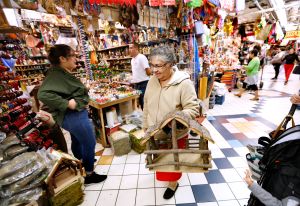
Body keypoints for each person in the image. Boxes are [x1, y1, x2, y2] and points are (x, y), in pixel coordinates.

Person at [38, 44, 107, 184]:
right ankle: (89, 173)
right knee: (89, 141)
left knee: (77, 139)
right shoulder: (56, 74)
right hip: (72, 115)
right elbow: (43, 94)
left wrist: (83, 89)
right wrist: (66, 103)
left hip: (73, 115)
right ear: (62, 58)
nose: (76, 58)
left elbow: (66, 89)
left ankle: (81, 161)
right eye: (73, 55)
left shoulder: (61, 72)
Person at [143, 46, 199, 199]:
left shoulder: (183, 83)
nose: (154, 70)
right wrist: (145, 126)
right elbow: (146, 104)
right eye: (152, 65)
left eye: (158, 65)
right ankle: (168, 177)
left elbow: (193, 109)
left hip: (175, 134)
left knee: (173, 163)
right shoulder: (152, 81)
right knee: (161, 161)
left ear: (170, 64)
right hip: (155, 132)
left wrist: (175, 118)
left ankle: (173, 184)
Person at [129, 43, 151, 110]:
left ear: (136, 48)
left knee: (145, 103)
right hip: (137, 85)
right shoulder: (132, 60)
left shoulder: (141, 57)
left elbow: (148, 71)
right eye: (129, 48)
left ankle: (148, 119)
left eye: (131, 48)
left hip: (143, 84)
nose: (129, 50)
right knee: (141, 103)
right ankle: (144, 118)